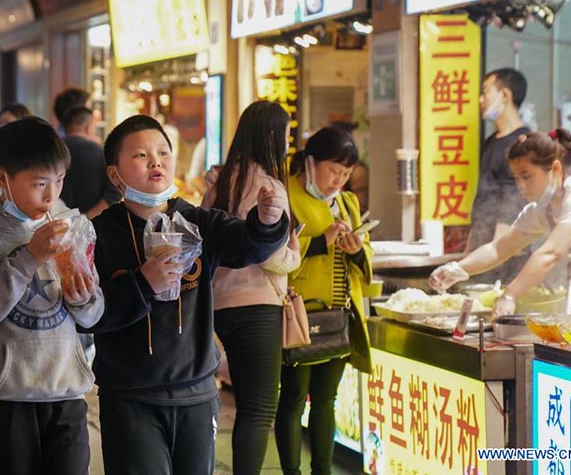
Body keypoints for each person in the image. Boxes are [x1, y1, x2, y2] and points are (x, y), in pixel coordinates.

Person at [84, 115, 289, 474]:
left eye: (163, 151)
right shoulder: (98, 234)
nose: (156, 161)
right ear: (115, 175)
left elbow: (247, 246)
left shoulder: (197, 222)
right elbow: (90, 315)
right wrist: (142, 283)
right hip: (131, 397)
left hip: (197, 394)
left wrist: (268, 223)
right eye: (141, 155)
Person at [0, 117, 105, 475]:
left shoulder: (70, 226)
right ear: (2, 178)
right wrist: (29, 258)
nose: (51, 195)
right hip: (6, 395)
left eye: (59, 180)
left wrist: (83, 299)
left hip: (65, 389)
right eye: (39, 184)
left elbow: (93, 316)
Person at [201, 101, 300, 475]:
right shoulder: (268, 187)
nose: (288, 143)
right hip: (258, 306)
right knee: (259, 409)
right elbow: (270, 255)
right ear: (273, 137)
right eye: (286, 135)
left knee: (242, 404)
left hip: (218, 304)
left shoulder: (219, 185)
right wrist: (295, 253)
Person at [274, 126, 374, 475]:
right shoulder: (284, 194)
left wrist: (358, 249)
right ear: (310, 161)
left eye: (346, 174)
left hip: (337, 314)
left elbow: (365, 258)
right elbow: (274, 253)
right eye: (333, 171)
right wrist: (321, 241)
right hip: (297, 313)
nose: (339, 180)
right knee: (293, 399)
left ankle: (322, 471)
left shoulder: (347, 202)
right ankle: (292, 471)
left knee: (326, 399)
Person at [430, 129, 571, 316]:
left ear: (556, 169)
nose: (520, 186)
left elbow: (551, 254)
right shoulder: (540, 211)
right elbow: (498, 249)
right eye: (516, 177)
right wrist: (458, 268)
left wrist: (510, 295)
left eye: (526, 176)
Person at [469, 68, 532, 283]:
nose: (480, 100)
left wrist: (497, 252)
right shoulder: (491, 141)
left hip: (506, 255)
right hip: (484, 248)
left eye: (486, 92)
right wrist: (471, 249)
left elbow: (514, 200)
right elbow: (485, 196)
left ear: (505, 95)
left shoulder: (523, 143)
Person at [59, 106, 121, 219]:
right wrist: (86, 218)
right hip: (92, 225)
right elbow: (114, 193)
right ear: (88, 127)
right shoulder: (100, 152)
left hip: (53, 223)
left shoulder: (53, 152)